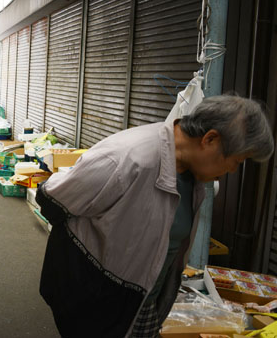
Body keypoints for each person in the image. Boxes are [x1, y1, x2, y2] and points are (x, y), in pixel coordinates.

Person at [36, 95, 274, 338]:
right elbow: (53, 201)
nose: (232, 171)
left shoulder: (194, 176)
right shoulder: (129, 158)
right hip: (96, 300)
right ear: (210, 139)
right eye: (236, 162)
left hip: (143, 302)